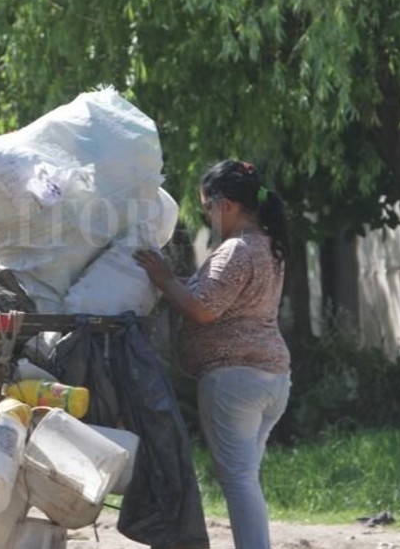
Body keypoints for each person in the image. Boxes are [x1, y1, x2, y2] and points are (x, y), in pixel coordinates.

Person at [133, 159, 291, 549]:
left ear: (227, 205)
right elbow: (216, 296)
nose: (207, 216)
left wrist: (163, 278)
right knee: (246, 478)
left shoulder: (236, 250)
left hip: (234, 381)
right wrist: (172, 282)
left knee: (238, 481)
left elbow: (204, 308)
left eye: (207, 206)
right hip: (272, 379)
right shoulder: (268, 247)